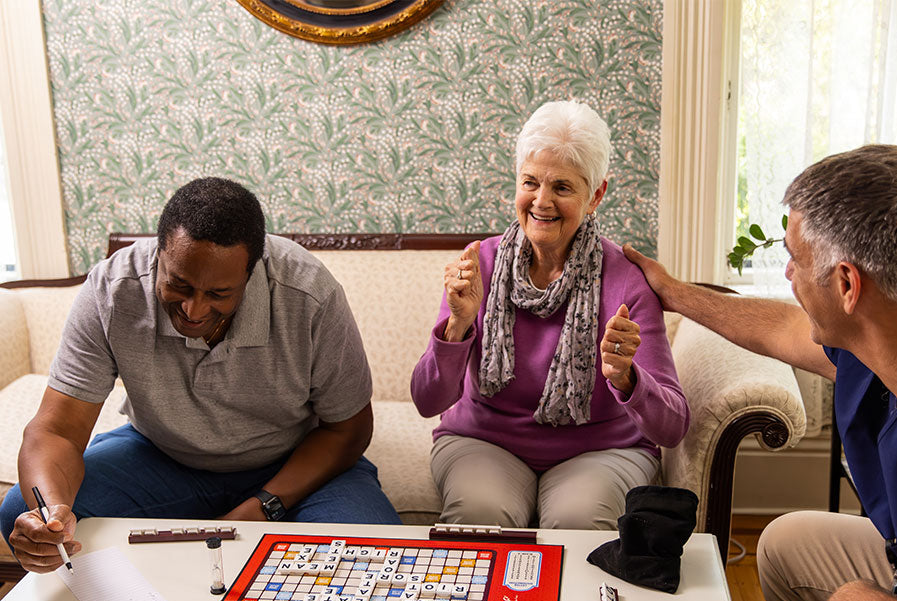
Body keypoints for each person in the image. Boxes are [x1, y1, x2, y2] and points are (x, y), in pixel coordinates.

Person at [624, 145, 897, 601]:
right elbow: (783, 328)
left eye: (795, 260)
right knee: (787, 544)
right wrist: (673, 292)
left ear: (848, 285)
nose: (787, 275)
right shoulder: (895, 331)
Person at [0, 177, 400, 573]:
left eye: (218, 294)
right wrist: (49, 517)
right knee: (20, 509)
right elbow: (58, 431)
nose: (192, 310)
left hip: (290, 462)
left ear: (251, 273)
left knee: (371, 562)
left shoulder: (310, 294)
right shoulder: (111, 290)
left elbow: (349, 429)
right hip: (162, 458)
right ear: (159, 254)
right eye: (179, 285)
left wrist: (263, 507)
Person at [410, 100, 690, 530]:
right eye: (530, 182)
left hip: (600, 450)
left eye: (562, 187)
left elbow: (671, 428)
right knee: (479, 518)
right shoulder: (478, 264)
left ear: (596, 195)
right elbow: (428, 400)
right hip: (483, 443)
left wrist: (627, 378)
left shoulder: (627, 281)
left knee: (577, 521)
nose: (541, 202)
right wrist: (457, 325)